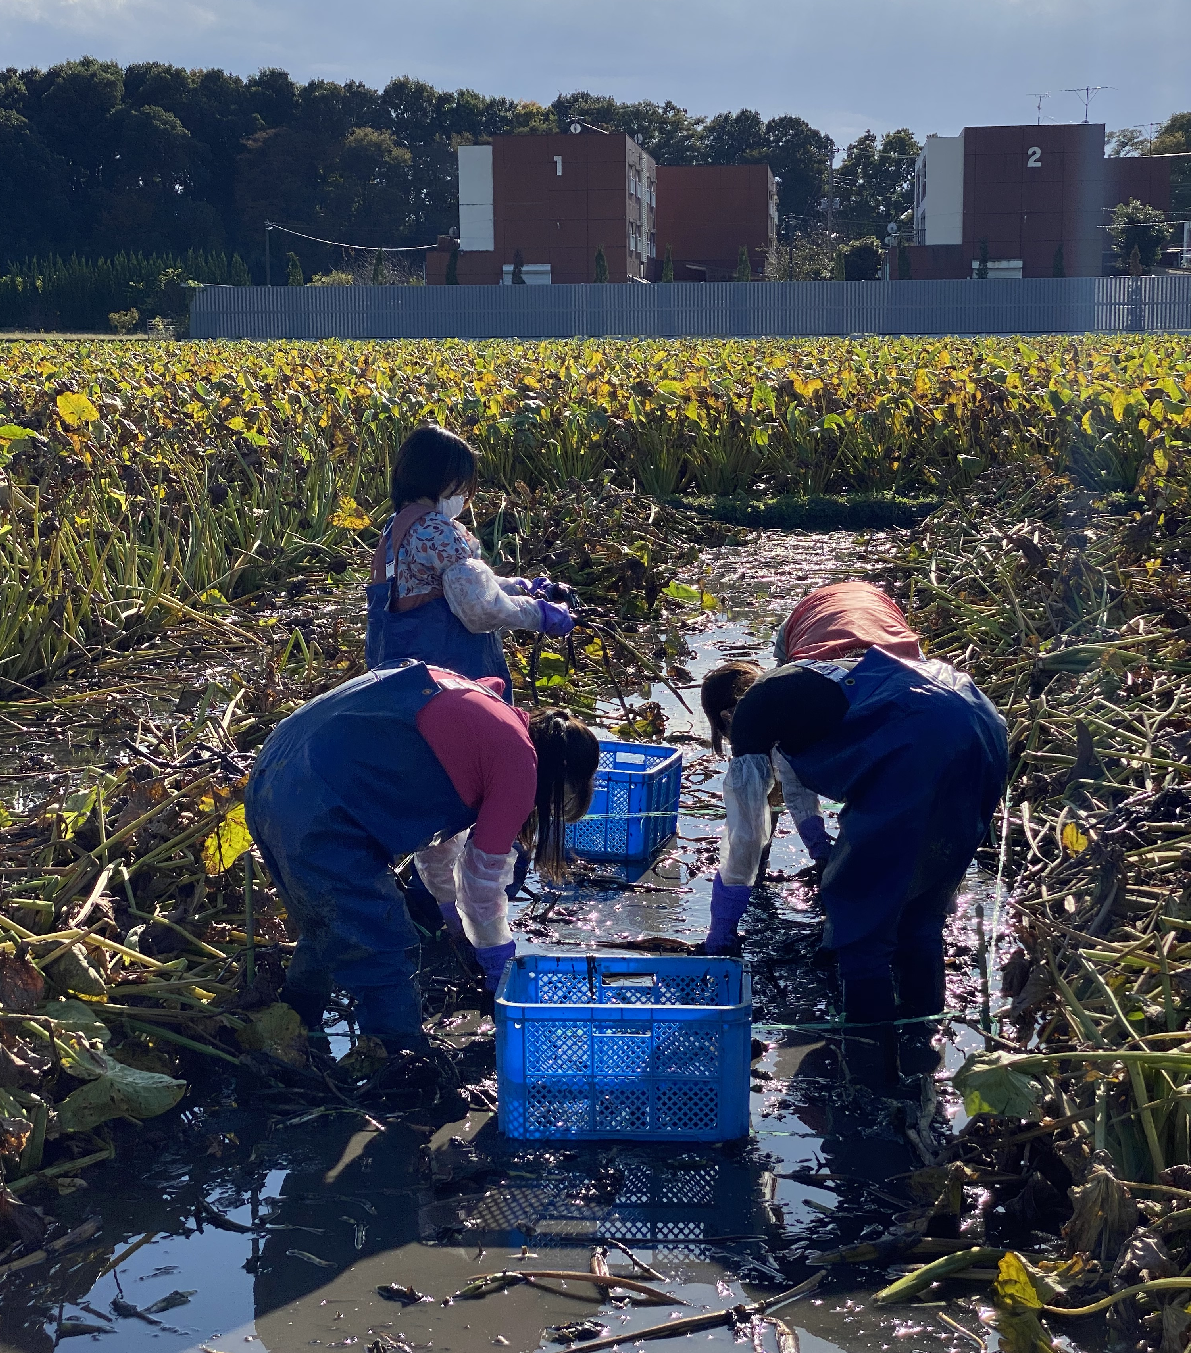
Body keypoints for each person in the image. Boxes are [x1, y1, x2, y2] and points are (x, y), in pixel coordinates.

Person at [700, 581, 1007, 1077]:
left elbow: (747, 837)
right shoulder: (844, 671)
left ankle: (872, 1076)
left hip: (915, 738)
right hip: (974, 712)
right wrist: (822, 844)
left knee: (858, 918)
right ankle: (926, 1058)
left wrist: (723, 925)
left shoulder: (762, 710)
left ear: (727, 716)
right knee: (922, 910)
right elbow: (800, 782)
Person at [244, 659, 600, 1055]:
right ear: (556, 775)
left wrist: (451, 914)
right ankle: (400, 1062)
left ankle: (294, 1024)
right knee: (386, 944)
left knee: (332, 924)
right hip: (321, 809)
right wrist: (497, 958)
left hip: (273, 779)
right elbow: (482, 882)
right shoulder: (518, 761)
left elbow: (437, 847)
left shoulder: (482, 711)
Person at [366, 424, 577, 693]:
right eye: (461, 487)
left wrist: (523, 586)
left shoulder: (395, 528)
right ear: (440, 478)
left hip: (400, 676)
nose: (464, 496)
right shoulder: (439, 531)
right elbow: (480, 609)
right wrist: (539, 614)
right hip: (451, 679)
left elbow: (459, 585)